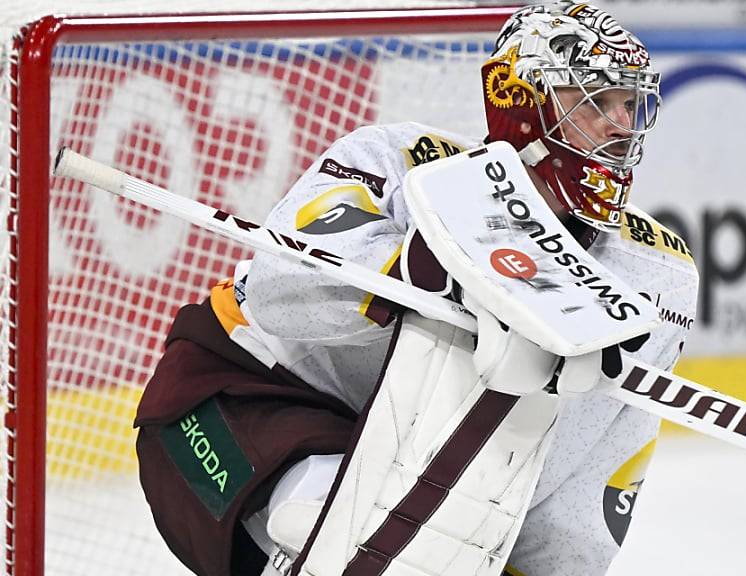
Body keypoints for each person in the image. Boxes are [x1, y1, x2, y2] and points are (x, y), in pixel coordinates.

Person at [133, 3, 699, 575]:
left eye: (629, 103)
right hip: (228, 406)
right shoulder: (402, 163)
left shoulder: (657, 276)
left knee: (413, 542)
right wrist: (424, 270)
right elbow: (282, 285)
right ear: (523, 105)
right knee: (330, 520)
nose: (621, 125)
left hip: (403, 496)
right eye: (593, 102)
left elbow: (587, 492)